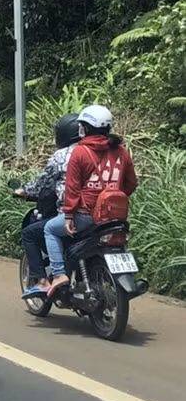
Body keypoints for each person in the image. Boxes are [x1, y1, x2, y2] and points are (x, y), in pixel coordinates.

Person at [44, 105, 138, 293]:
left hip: (86, 216)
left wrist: (69, 216)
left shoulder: (80, 152)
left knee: (50, 229)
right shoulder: (121, 151)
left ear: (85, 128)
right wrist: (112, 197)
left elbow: (72, 188)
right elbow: (131, 183)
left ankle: (59, 274)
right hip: (114, 217)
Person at [17, 113, 80, 298]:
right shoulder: (104, 152)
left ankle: (45, 281)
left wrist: (24, 191)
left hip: (75, 213)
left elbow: (43, 183)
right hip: (108, 215)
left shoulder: (63, 155)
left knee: (32, 233)